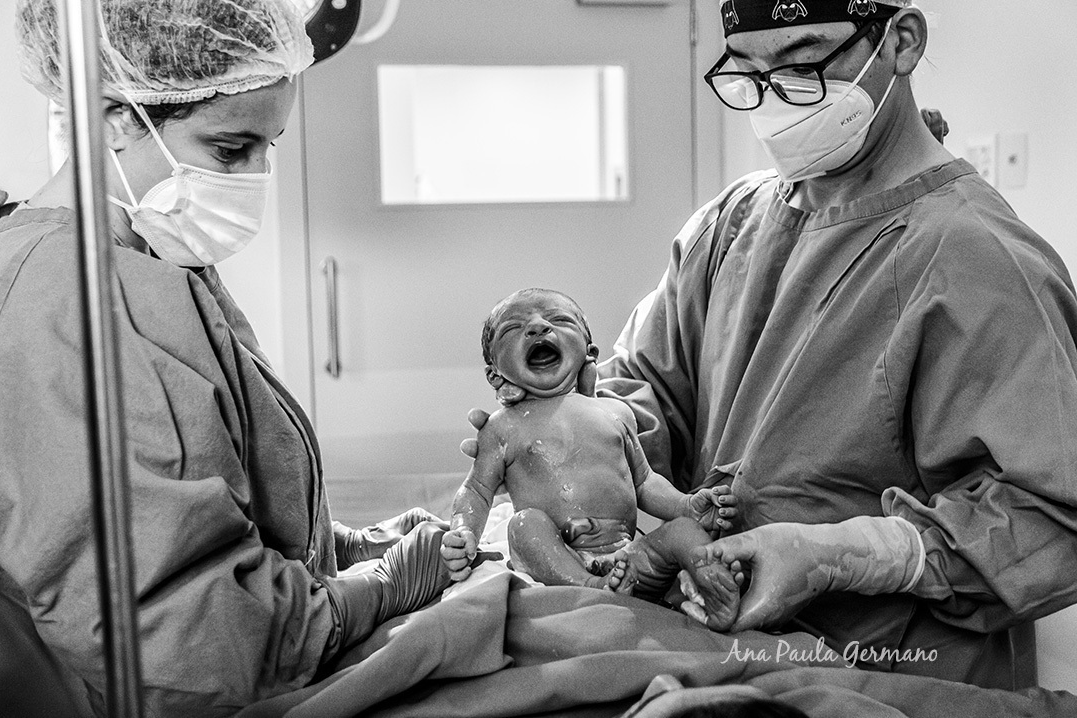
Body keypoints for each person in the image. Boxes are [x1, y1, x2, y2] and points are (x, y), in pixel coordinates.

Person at [591, 0, 1077, 690]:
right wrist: (583, 443)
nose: (775, 101)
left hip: (894, 677)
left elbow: (1050, 515)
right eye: (749, 74)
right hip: (721, 655)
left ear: (901, 42)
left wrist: (843, 556)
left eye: (803, 64)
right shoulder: (731, 223)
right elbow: (643, 383)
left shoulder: (978, 259)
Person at [0, 1, 448, 715]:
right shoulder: (66, 301)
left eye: (268, 146)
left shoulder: (154, 255)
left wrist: (340, 548)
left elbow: (206, 490)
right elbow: (184, 634)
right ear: (113, 116)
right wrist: (373, 592)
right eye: (232, 150)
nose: (255, 176)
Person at [441, 288, 742, 630]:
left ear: (590, 352)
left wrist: (686, 506)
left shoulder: (616, 412)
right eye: (514, 327)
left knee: (683, 533)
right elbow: (477, 491)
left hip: (628, 559)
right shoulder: (501, 427)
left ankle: (713, 589)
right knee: (523, 525)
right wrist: (463, 531)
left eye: (558, 320)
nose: (538, 326)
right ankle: (590, 587)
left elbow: (644, 482)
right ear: (495, 373)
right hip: (559, 560)